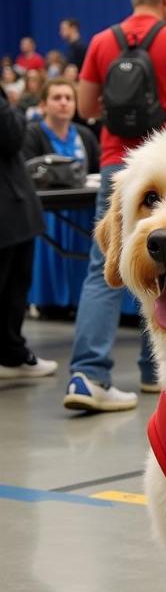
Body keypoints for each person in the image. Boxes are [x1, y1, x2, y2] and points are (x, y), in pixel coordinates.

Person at [64, 0, 166, 412]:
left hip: (120, 168)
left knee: (105, 269)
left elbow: (87, 106)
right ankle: (155, 371)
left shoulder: (102, 41)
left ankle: (89, 374)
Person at [0, 85, 58, 379]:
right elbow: (10, 136)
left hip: (13, 206)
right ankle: (10, 352)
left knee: (14, 285)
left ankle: (11, 353)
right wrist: (18, 110)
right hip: (7, 208)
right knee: (10, 284)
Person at [22, 77, 100, 171]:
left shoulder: (86, 135)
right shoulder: (30, 134)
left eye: (69, 98)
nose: (64, 103)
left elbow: (98, 170)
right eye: (57, 98)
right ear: (43, 106)